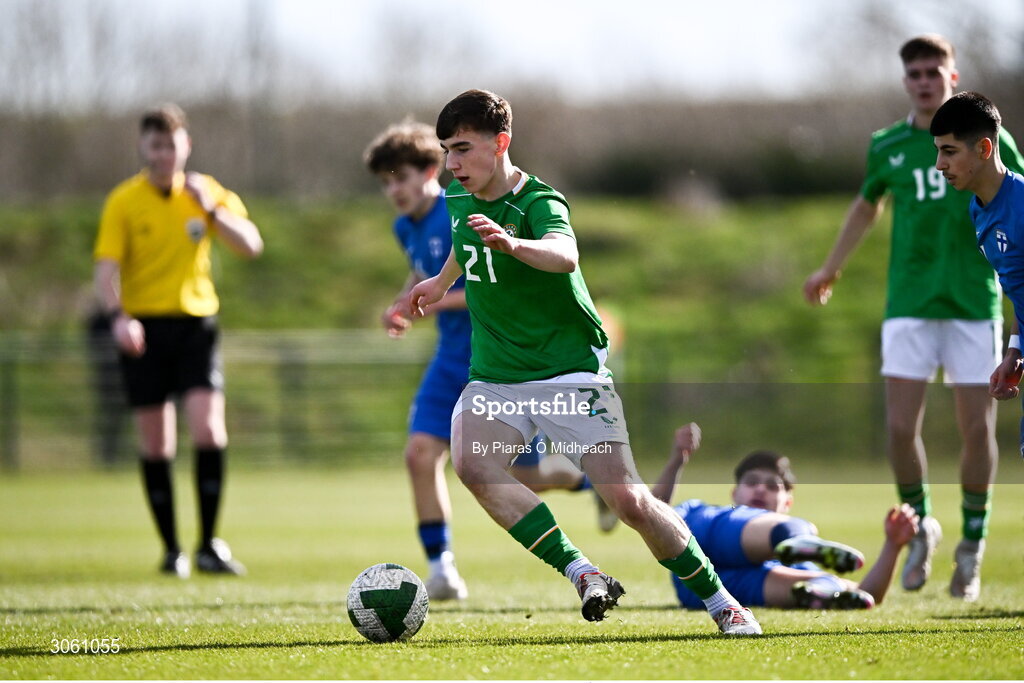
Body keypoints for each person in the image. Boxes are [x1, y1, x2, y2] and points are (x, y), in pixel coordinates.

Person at [406, 89, 762, 635]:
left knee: (632, 505)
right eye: (446, 150)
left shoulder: (540, 201)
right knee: (474, 466)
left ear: (501, 143)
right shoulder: (459, 198)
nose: (452, 163)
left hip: (568, 371)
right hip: (497, 372)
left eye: (462, 148)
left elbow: (564, 253)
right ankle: (582, 571)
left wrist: (513, 245)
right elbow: (463, 242)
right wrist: (440, 281)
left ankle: (722, 602)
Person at [802, 35, 1024, 599]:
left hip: (974, 302)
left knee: (978, 429)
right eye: (915, 72)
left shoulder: (992, 145)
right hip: (909, 303)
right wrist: (831, 266)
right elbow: (865, 205)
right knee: (900, 429)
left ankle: (972, 545)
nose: (924, 80)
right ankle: (922, 525)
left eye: (934, 70)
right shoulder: (890, 146)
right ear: (906, 81)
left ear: (952, 76)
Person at [364, 120, 601, 601]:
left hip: (501, 359)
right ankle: (442, 568)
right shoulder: (404, 226)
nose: (395, 191)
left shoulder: (461, 207)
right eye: (386, 182)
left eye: (402, 178)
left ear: (433, 171)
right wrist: (402, 302)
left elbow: (483, 283)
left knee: (520, 476)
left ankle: (586, 481)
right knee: (419, 455)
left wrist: (431, 300)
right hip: (451, 357)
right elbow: (422, 272)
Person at [93, 104, 264, 578]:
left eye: (172, 144)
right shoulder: (124, 201)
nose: (165, 153)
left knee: (209, 431)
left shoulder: (207, 193)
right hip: (144, 329)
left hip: (196, 326)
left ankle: (209, 543)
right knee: (156, 442)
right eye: (156, 145)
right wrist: (118, 317)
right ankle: (172, 549)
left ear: (185, 146)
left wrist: (210, 210)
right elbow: (105, 271)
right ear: (143, 149)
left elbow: (251, 245)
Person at [650, 423, 918, 609]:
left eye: (772, 485)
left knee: (819, 581)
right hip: (702, 548)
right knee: (758, 529)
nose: (760, 488)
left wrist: (893, 545)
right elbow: (653, 512)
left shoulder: (797, 562)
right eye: (752, 482)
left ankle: (819, 592)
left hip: (720, 590)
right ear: (734, 493)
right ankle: (792, 535)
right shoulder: (706, 513)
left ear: (788, 501)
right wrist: (676, 460)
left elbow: (867, 593)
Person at [931, 92, 1024, 600]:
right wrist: (1015, 350)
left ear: (984, 148)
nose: (940, 164)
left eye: (949, 151)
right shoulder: (978, 210)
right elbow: (1018, 288)